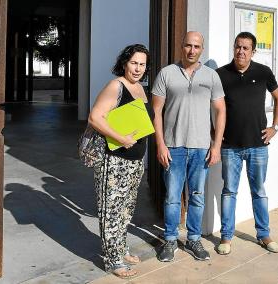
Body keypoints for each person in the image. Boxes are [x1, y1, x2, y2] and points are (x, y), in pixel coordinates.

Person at [152, 31, 226, 262]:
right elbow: (156, 112)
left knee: (196, 196)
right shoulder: (166, 74)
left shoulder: (211, 76)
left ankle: (193, 239)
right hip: (173, 147)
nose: (191, 50)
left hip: (201, 148)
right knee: (173, 197)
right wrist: (160, 145)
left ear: (201, 49)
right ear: (181, 47)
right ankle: (171, 240)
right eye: (187, 46)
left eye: (196, 46)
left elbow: (220, 110)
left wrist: (216, 146)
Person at [88, 44, 154, 279]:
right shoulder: (116, 85)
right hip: (113, 159)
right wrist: (120, 138)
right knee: (111, 211)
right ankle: (113, 259)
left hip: (135, 161)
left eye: (142, 64)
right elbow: (95, 117)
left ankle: (120, 248)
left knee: (125, 210)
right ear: (125, 63)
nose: (138, 68)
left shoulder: (140, 88)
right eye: (134, 63)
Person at [215, 32, 278, 255]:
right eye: (238, 47)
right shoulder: (221, 75)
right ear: (233, 48)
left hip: (258, 145)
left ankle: (264, 234)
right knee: (229, 192)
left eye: (246, 48)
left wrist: (275, 127)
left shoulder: (263, 72)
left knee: (259, 192)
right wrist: (214, 135)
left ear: (253, 51)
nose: (241, 51)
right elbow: (213, 107)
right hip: (230, 147)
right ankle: (226, 237)